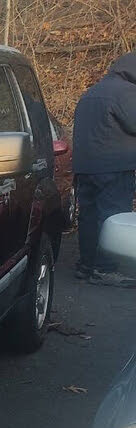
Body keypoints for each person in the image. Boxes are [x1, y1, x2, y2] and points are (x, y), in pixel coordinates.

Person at [72, 52, 136, 287]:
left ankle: (86, 265)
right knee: (113, 218)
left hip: (85, 166)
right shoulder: (125, 92)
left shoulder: (93, 91)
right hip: (113, 166)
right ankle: (104, 269)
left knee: (88, 216)